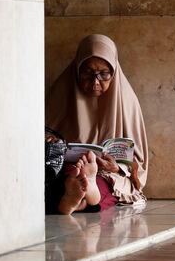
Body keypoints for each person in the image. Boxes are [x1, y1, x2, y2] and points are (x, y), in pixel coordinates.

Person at [44, 34, 148, 214]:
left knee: (107, 184)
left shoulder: (127, 101)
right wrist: (51, 142)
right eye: (87, 73)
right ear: (77, 70)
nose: (95, 82)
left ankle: (81, 197)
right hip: (68, 168)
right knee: (66, 179)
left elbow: (138, 160)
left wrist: (117, 167)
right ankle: (82, 192)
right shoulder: (61, 93)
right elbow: (40, 135)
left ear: (114, 72)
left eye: (104, 74)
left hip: (107, 173)